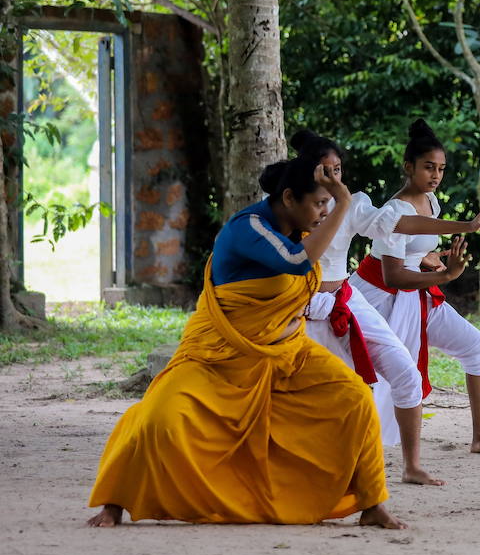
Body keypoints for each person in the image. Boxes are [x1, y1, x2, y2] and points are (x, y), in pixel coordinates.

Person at [87, 156, 403, 529]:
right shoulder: (248, 228)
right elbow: (297, 263)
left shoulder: (302, 231)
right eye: (319, 203)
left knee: (355, 398)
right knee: (160, 418)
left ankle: (371, 503)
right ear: (289, 198)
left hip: (287, 355)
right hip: (217, 357)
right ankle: (114, 503)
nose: (325, 211)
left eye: (328, 203)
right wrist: (345, 204)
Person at [293, 129, 480, 486]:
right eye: (324, 171)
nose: (333, 178)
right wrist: (445, 269)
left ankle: (412, 465)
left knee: (405, 374)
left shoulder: (356, 204)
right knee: (337, 385)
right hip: (326, 300)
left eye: (338, 170)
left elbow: (395, 225)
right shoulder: (292, 205)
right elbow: (393, 270)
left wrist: (448, 243)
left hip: (353, 298)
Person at [350, 119, 480, 456]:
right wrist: (446, 276)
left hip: (417, 293)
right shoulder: (395, 210)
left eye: (440, 168)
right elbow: (393, 275)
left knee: (476, 347)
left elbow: (416, 251)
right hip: (380, 296)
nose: (436, 175)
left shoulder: (432, 201)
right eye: (428, 167)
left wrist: (431, 258)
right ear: (408, 167)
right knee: (369, 376)